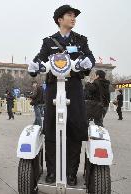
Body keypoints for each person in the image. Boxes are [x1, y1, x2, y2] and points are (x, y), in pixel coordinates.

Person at [28, 5, 95, 186]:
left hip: (73, 88)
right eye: (69, 15)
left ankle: (72, 173)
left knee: (74, 129)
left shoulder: (80, 40)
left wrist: (87, 63)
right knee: (51, 129)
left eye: (74, 16)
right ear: (59, 19)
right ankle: (52, 172)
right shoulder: (49, 41)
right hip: (53, 89)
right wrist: (34, 67)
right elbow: (39, 59)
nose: (73, 18)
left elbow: (90, 58)